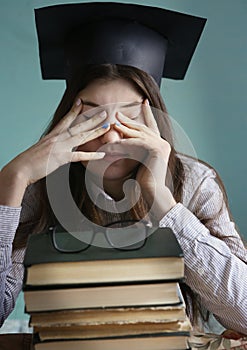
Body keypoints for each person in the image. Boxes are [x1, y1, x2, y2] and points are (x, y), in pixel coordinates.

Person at [0, 2, 246, 338]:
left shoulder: (195, 183)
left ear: (154, 118)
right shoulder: (37, 187)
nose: (112, 135)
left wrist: (161, 199)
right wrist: (11, 182)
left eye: (129, 118)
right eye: (93, 117)